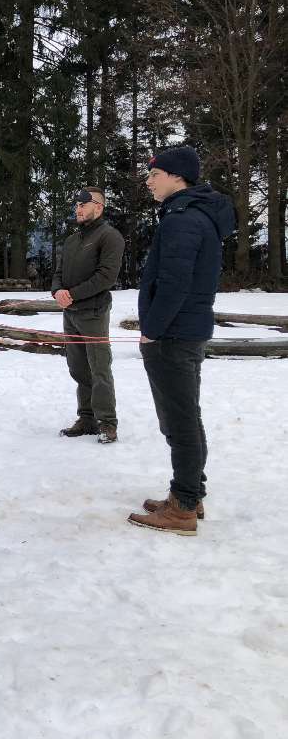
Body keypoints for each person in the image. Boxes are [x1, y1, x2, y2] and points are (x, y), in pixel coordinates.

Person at [128, 146, 234, 536]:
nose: (149, 180)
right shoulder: (191, 215)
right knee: (185, 415)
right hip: (184, 330)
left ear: (177, 177)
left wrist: (152, 329)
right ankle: (188, 494)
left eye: (155, 174)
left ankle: (184, 506)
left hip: (173, 335)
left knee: (180, 419)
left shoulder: (182, 219)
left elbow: (174, 282)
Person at [51, 187, 125, 443]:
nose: (79, 208)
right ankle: (87, 418)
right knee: (78, 367)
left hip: (93, 312)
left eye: (85, 204)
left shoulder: (109, 236)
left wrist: (72, 294)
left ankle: (107, 422)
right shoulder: (72, 240)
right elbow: (58, 273)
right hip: (70, 313)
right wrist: (58, 291)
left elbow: (106, 277)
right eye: (77, 204)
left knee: (99, 368)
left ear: (99, 207)